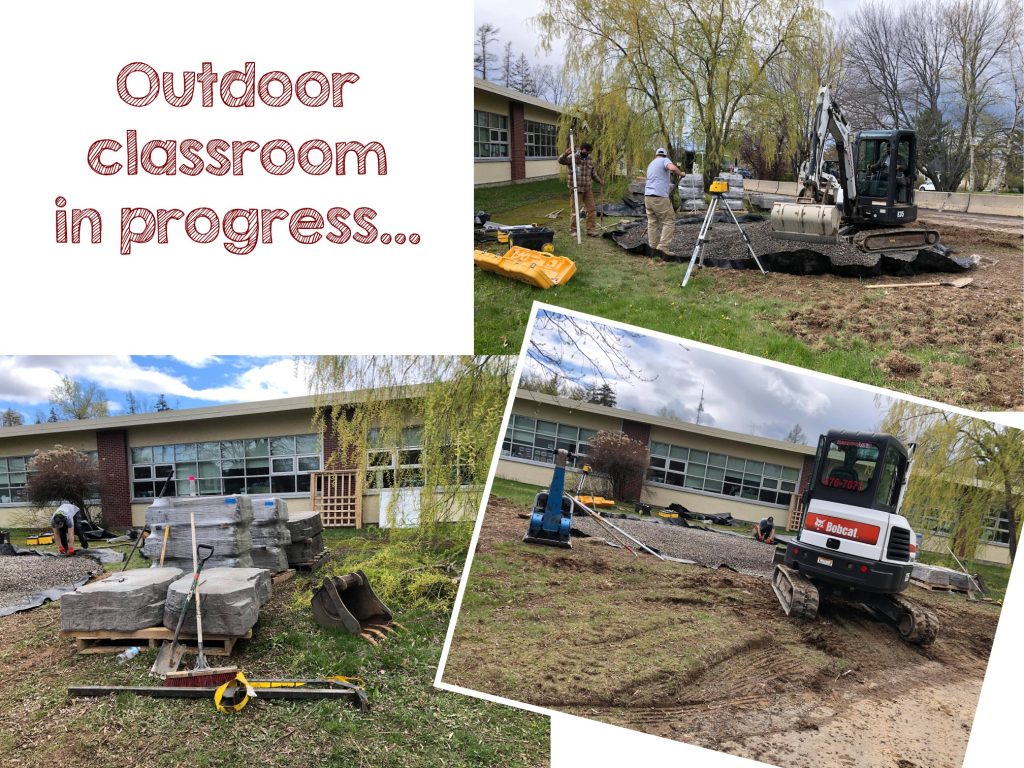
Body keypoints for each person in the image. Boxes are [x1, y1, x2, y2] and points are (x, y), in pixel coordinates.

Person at [644, 148, 685, 257]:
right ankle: (662, 247)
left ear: (656, 154)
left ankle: (652, 247)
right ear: (665, 155)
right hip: (659, 196)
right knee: (669, 220)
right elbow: (671, 168)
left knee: (652, 221)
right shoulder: (664, 160)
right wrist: (680, 173)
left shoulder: (651, 163)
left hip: (648, 196)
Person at [558, 142, 603, 237]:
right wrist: (566, 153)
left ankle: (591, 230)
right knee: (575, 211)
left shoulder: (590, 159)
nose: (588, 153)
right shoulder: (573, 158)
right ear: (582, 149)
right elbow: (561, 161)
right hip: (576, 188)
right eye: (587, 151)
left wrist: (599, 181)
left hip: (587, 188)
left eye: (590, 152)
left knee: (592, 209)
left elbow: (593, 173)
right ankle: (573, 230)